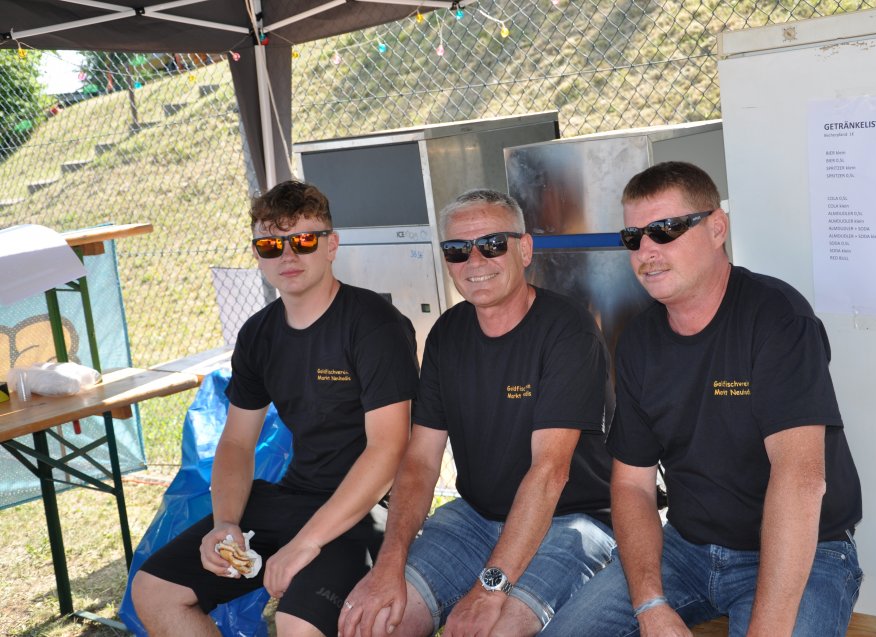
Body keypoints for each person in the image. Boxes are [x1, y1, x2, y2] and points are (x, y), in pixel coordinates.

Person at [541, 161, 863, 637]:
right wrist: (650, 603)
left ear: (717, 229)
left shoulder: (776, 318)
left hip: (805, 551)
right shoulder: (639, 340)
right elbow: (632, 485)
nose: (646, 250)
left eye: (665, 229)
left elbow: (800, 480)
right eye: (633, 237)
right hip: (686, 550)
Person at [131, 180, 419, 637]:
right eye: (271, 244)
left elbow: (388, 449)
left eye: (303, 240)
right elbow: (236, 442)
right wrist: (225, 524)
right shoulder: (258, 334)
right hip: (293, 495)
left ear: (331, 246)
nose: (288, 254)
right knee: (153, 590)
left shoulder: (373, 325)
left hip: (370, 506)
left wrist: (307, 543)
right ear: (257, 254)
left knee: (296, 625)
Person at [337, 189, 615, 637]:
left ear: (524, 250)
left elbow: (549, 472)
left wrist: (490, 589)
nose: (475, 261)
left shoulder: (567, 331)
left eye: (492, 244)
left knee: (494, 630)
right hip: (475, 517)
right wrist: (389, 562)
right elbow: (421, 461)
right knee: (373, 622)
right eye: (457, 250)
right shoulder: (447, 333)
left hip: (568, 520)